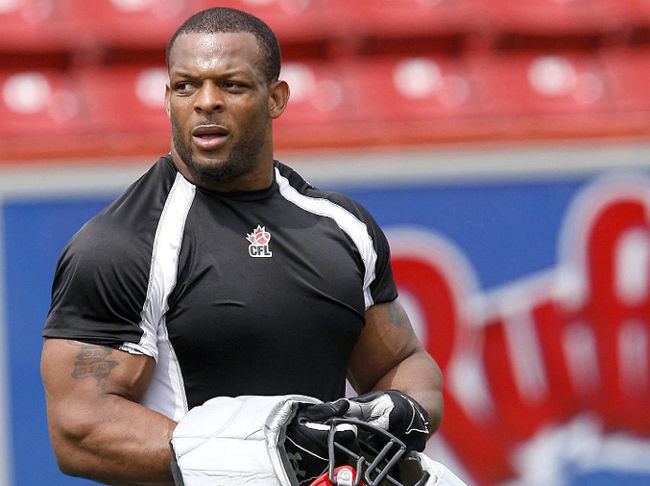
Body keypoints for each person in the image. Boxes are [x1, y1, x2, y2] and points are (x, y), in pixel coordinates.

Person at [40, 7, 446, 485]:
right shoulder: (120, 243)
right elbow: (79, 433)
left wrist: (403, 410)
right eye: (186, 86)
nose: (206, 102)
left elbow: (399, 362)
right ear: (168, 98)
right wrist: (267, 458)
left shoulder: (344, 226)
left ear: (275, 98)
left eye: (231, 85)